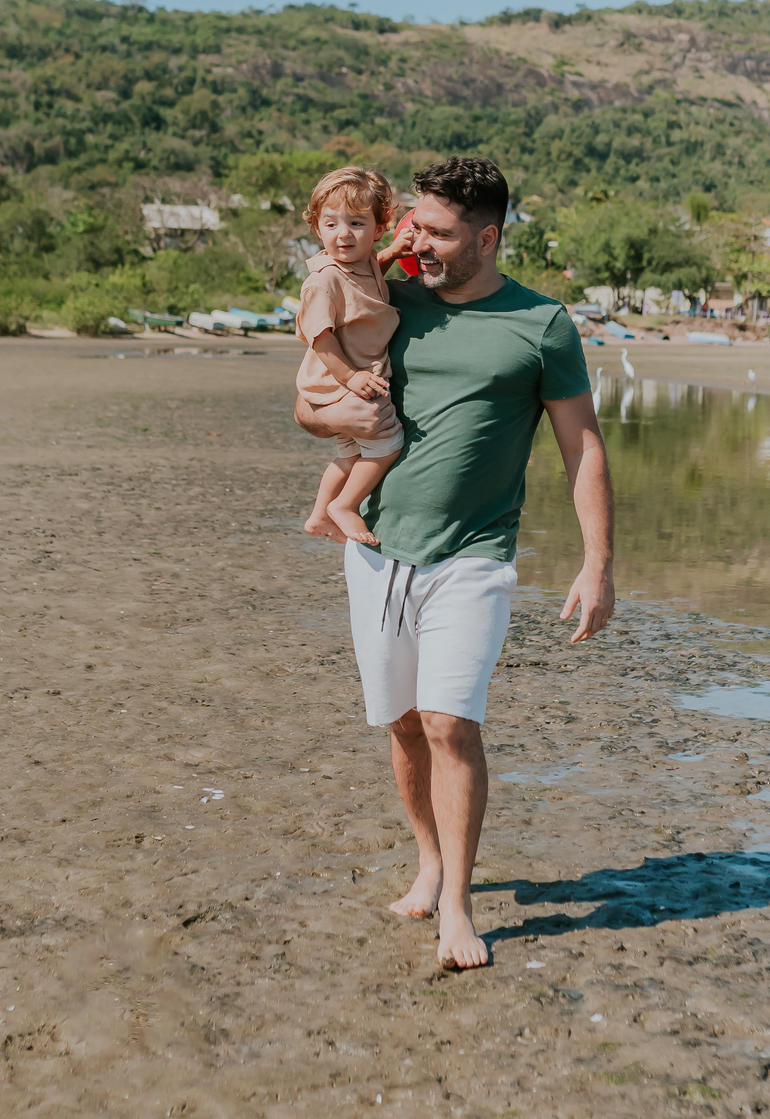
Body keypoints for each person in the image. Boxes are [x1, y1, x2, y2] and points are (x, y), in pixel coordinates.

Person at [296, 156, 615, 970]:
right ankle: (429, 860)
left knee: (449, 722)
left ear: (488, 237)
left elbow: (581, 445)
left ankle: (459, 909)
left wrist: (597, 563)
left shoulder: (541, 324)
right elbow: (308, 403)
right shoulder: (390, 297)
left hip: (475, 555)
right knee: (403, 723)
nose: (418, 245)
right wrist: (329, 416)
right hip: (375, 549)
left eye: (437, 234)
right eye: (414, 228)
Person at [296, 166, 407, 544]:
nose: (343, 234)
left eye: (356, 223)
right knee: (388, 444)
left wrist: (393, 252)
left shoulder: (361, 263)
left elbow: (369, 279)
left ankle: (318, 517)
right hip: (340, 381)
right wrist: (351, 377)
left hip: (348, 381)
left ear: (379, 228)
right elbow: (321, 338)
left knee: (350, 453)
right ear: (317, 228)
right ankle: (345, 505)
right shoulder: (324, 279)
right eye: (331, 224)